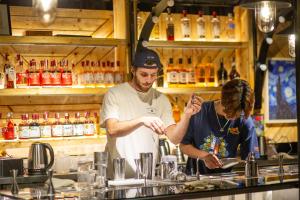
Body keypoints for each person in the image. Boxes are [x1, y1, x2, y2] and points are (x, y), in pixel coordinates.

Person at [100, 48, 202, 178]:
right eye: (143, 74)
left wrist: (187, 115)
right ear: (133, 70)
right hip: (117, 177)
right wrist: (142, 120)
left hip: (147, 178)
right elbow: (112, 130)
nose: (148, 80)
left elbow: (174, 138)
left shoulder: (161, 99)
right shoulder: (115, 94)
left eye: (153, 75)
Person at [180, 79, 259, 175]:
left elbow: (250, 157)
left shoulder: (245, 120)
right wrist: (204, 156)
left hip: (228, 181)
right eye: (232, 112)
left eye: (239, 114)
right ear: (223, 99)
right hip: (195, 179)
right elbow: (183, 146)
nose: (235, 117)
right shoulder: (198, 112)